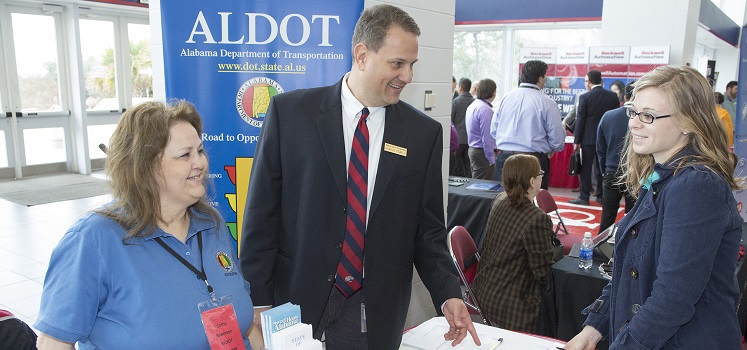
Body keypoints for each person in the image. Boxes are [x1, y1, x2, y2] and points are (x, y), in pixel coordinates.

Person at [239, 4, 480, 350]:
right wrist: (258, 301)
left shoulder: (422, 134)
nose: (407, 76)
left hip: (373, 307)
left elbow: (428, 231)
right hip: (295, 299)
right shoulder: (290, 115)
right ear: (362, 55)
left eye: (412, 65)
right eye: (397, 63)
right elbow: (261, 218)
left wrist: (448, 294)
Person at [34, 101, 256, 349]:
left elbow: (244, 323)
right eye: (185, 154)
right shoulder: (94, 239)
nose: (200, 163)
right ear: (146, 167)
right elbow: (53, 343)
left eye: (200, 151)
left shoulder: (211, 223)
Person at [565, 65, 744, 350]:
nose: (634, 123)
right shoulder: (663, 176)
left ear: (689, 122)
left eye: (648, 116)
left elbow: (673, 297)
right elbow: (630, 270)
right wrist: (594, 327)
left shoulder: (695, 186)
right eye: (633, 112)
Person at [472, 154, 554, 332]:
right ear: (532, 181)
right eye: (540, 173)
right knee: (558, 300)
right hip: (511, 304)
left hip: (484, 289)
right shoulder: (536, 218)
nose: (542, 176)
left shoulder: (500, 199)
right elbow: (543, 272)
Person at [490, 60, 566, 189]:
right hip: (533, 161)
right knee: (531, 203)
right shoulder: (547, 102)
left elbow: (493, 131)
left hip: (505, 158)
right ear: (541, 78)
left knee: (503, 202)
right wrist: (552, 148)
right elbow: (557, 138)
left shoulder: (506, 98)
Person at [570, 70, 620, 206]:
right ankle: (601, 196)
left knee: (586, 169)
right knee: (602, 168)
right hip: (606, 138)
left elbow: (580, 120)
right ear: (601, 80)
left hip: (588, 139)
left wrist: (577, 140)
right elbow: (615, 118)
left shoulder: (585, 97)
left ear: (590, 81)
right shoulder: (612, 97)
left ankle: (584, 197)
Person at [596, 81, 636, 234]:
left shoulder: (608, 116)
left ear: (624, 96)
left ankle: (600, 251)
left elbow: (600, 148)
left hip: (611, 171)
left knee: (607, 215)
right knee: (633, 216)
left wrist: (605, 169)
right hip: (636, 173)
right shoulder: (646, 119)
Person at [466, 78, 498, 179]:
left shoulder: (473, 105)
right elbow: (487, 137)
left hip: (473, 149)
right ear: (492, 92)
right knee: (482, 187)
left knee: (476, 182)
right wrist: (491, 159)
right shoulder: (486, 110)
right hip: (482, 152)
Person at [451, 77, 475, 177]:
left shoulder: (456, 101)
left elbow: (451, 119)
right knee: (467, 164)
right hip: (470, 139)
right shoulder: (475, 102)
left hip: (459, 139)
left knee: (455, 163)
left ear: (460, 88)